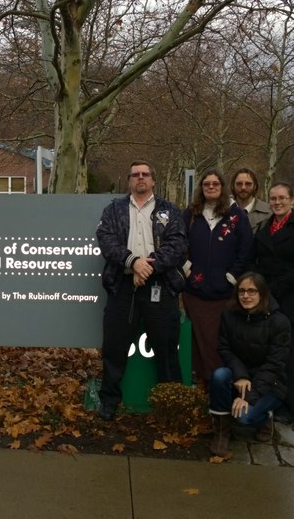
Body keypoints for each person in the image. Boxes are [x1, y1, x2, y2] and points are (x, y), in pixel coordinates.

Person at [95, 160, 187, 421]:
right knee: (114, 347)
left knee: (167, 348)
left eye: (145, 174)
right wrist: (133, 263)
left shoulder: (169, 210)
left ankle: (172, 405)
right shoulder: (114, 209)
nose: (140, 178)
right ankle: (109, 401)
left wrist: (148, 268)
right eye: (135, 174)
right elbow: (106, 240)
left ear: (153, 180)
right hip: (122, 287)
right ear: (129, 180)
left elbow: (177, 244)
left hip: (160, 286)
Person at [247, 182, 294, 424]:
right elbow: (256, 260)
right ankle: (269, 400)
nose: (277, 202)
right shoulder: (266, 227)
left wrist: (268, 292)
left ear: (292, 200)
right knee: (268, 355)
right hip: (267, 302)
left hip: (290, 302)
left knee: (287, 357)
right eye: (273, 199)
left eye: (282, 198)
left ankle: (288, 408)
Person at [209, 272, 291, 457]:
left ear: (263, 293)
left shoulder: (280, 322)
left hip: (270, 383)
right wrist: (241, 375)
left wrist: (249, 397)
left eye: (252, 291)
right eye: (242, 291)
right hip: (241, 376)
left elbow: (275, 365)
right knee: (219, 376)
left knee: (244, 418)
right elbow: (224, 349)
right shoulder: (229, 315)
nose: (246, 296)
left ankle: (266, 416)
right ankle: (222, 432)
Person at [182, 169, 252, 384]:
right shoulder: (190, 215)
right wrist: (186, 267)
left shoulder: (236, 215)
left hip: (224, 293)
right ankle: (199, 382)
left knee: (217, 341)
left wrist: (232, 276)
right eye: (206, 184)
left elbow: (246, 249)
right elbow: (177, 243)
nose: (211, 187)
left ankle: (218, 384)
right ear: (201, 188)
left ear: (222, 187)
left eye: (215, 184)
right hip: (195, 290)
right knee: (197, 339)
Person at [231, 168, 271, 234]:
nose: (243, 187)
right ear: (233, 186)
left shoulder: (269, 213)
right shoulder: (223, 211)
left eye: (248, 184)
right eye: (239, 184)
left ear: (255, 186)